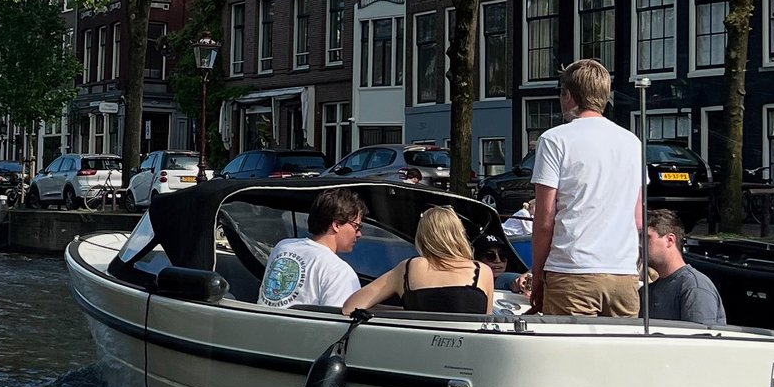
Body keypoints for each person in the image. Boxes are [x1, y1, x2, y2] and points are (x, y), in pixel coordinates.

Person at [529, 58, 646, 317]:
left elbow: (545, 219)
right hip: (623, 275)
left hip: (572, 272)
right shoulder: (632, 142)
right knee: (619, 356)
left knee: (569, 356)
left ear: (568, 96)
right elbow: (638, 219)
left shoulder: (554, 140)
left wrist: (538, 274)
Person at [344, 206, 495, 316]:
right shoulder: (482, 271)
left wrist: (403, 313)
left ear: (422, 237)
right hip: (469, 353)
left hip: (420, 351)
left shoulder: (410, 268)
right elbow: (487, 323)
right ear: (459, 235)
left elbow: (350, 307)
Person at [259, 187, 367, 310]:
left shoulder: (283, 246)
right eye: (357, 226)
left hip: (259, 326)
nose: (359, 234)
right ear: (336, 225)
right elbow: (337, 325)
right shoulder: (340, 272)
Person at [644, 209, 727, 326]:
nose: (640, 244)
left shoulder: (694, 288)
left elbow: (699, 339)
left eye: (646, 238)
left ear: (670, 240)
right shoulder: (649, 289)